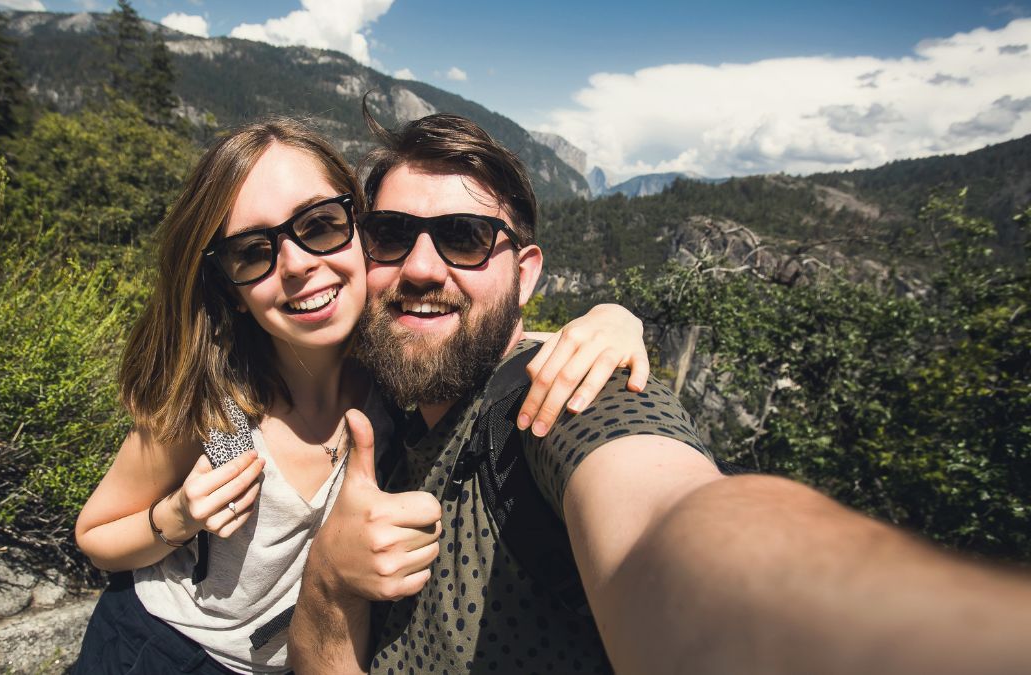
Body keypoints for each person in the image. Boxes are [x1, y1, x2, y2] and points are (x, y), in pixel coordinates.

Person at [289, 111, 1031, 674]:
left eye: (465, 237)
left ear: (527, 273)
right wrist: (306, 571)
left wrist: (926, 627)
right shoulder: (297, 391)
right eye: (391, 233)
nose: (420, 265)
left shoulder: (557, 402)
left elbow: (668, 513)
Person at [71, 117, 652, 675]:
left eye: (320, 225)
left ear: (362, 230)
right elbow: (95, 536)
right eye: (253, 252)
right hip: (157, 649)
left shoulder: (395, 373)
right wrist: (176, 516)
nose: (297, 265)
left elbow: (488, 335)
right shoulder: (215, 403)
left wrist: (611, 322)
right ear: (229, 286)